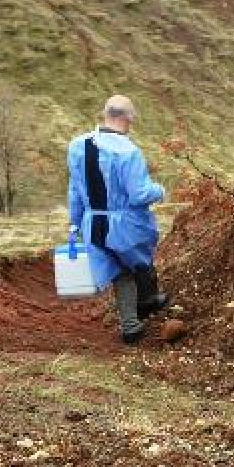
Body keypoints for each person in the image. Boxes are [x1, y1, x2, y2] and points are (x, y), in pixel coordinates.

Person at [67, 95, 169, 344]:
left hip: (93, 224)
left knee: (119, 273)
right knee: (139, 262)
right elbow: (139, 194)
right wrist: (161, 190)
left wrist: (75, 222)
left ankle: (131, 326)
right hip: (126, 225)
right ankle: (147, 301)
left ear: (105, 114)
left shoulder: (77, 146)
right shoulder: (128, 151)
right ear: (129, 118)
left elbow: (75, 190)